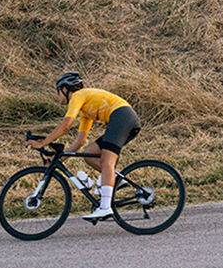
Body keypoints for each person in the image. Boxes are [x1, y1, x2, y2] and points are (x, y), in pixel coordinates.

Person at [25, 71, 142, 220]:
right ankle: (117, 180)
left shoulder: (78, 96)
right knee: (90, 153)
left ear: (65, 90)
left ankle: (105, 208)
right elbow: (79, 141)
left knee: (107, 160)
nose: (58, 95)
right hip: (123, 118)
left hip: (122, 116)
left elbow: (65, 126)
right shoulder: (86, 109)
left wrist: (42, 143)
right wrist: (59, 159)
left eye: (58, 91)